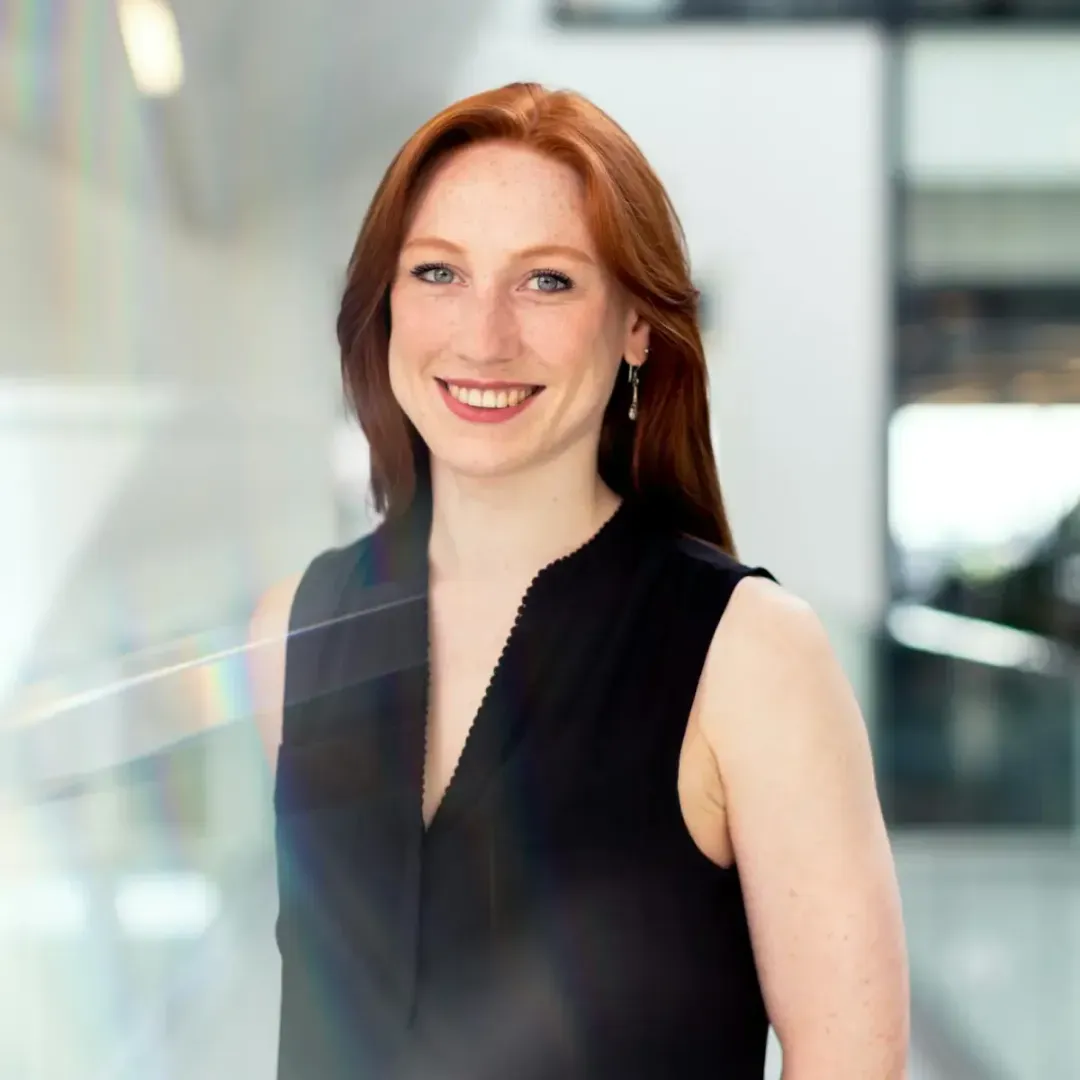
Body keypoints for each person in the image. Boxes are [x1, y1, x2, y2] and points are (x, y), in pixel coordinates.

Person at [249, 82, 909, 1080]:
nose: (484, 337)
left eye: (547, 282)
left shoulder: (750, 656)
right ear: (385, 307)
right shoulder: (292, 632)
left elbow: (851, 1060)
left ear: (638, 323)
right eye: (438, 273)